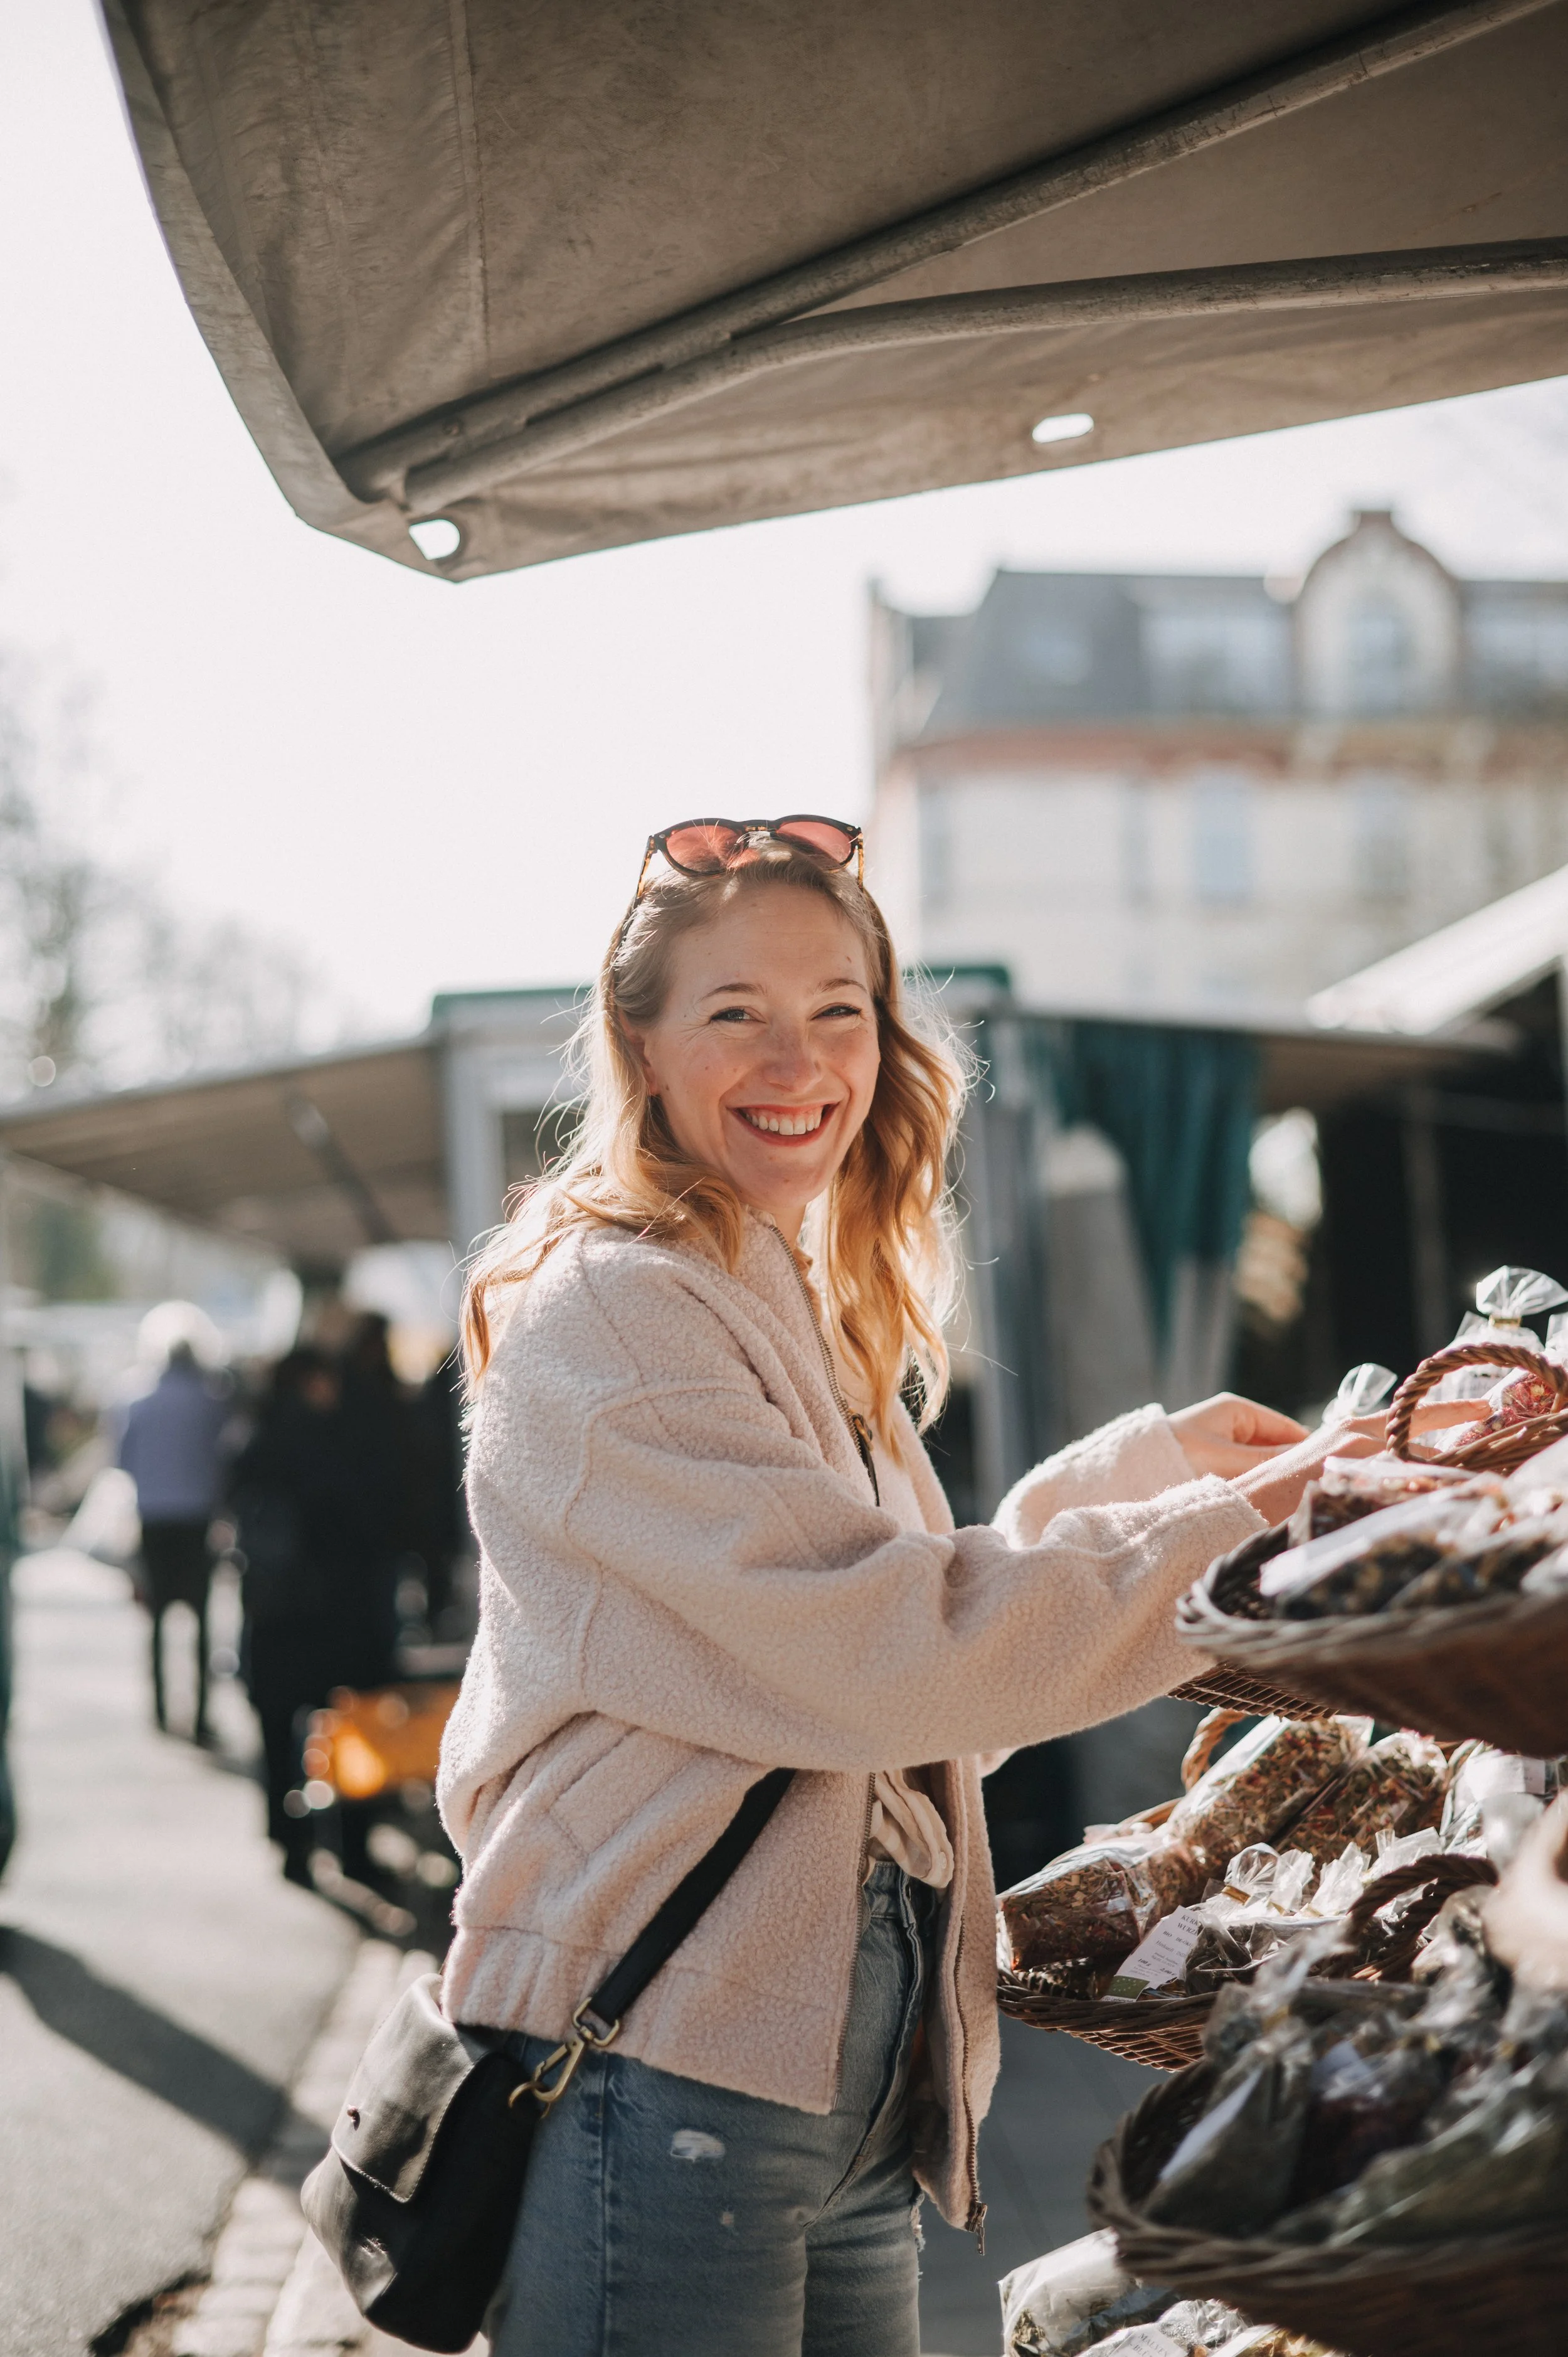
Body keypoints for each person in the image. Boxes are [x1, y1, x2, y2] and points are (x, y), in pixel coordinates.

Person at [435, 815, 1441, 2357]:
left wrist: (1151, 1473)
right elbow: (890, 1651)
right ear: (637, 1043)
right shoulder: (622, 1305)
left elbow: (894, 1621)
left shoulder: (766, 1281)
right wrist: (1225, 1519)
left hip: (835, 2056)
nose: (801, 1059)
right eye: (737, 1014)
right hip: (673, 2049)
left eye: (839, 1008)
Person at [231, 1345, 391, 1881]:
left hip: (274, 1613)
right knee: (348, 1729)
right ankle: (352, 1847)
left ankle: (290, 1844)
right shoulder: (340, 1443)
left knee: (278, 1734)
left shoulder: (253, 1442)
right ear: (313, 1383)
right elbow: (368, 1524)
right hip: (338, 1615)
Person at [118, 1337, 230, 1741]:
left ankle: (161, 1711)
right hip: (197, 1518)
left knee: (156, 1617)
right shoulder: (211, 1401)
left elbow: (123, 1459)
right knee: (200, 1619)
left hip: (154, 1517)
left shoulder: (138, 1401)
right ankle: (200, 1715)